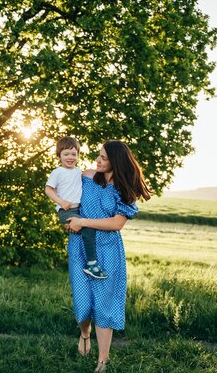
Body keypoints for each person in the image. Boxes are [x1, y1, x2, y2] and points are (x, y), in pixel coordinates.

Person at [65, 140, 152, 373]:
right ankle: (85, 333)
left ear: (116, 160)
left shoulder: (125, 190)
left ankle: (103, 360)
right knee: (82, 305)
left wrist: (84, 221)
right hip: (80, 247)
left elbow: (116, 223)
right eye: (98, 156)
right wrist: (70, 216)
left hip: (108, 251)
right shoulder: (86, 176)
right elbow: (66, 192)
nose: (98, 160)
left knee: (104, 305)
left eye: (103, 157)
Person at [45, 136, 107, 278]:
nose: (70, 157)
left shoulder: (79, 172)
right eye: (66, 154)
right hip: (66, 210)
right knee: (89, 228)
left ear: (78, 155)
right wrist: (60, 201)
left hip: (78, 210)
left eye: (74, 154)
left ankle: (74, 249)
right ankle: (92, 264)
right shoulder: (58, 172)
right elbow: (48, 190)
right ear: (59, 156)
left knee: (87, 231)